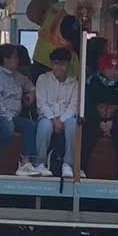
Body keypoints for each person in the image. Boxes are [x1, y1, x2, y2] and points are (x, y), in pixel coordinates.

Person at [0, 45, 38, 175]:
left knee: (30, 125)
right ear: (5, 59)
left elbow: (28, 84)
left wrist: (31, 92)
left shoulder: (17, 76)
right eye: (15, 57)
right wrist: (8, 118)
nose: (18, 60)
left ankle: (25, 163)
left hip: (11, 116)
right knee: (8, 130)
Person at [83, 51, 118, 180]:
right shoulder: (92, 83)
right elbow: (88, 106)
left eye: (116, 69)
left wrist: (112, 122)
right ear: (102, 69)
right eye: (110, 68)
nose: (114, 72)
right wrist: (99, 121)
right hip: (95, 120)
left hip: (115, 122)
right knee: (87, 132)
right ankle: (81, 168)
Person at [35, 48, 79, 177]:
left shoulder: (75, 82)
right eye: (55, 63)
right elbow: (41, 103)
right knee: (44, 126)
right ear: (51, 64)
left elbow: (74, 106)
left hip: (67, 118)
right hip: (47, 117)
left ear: (68, 64)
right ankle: (40, 163)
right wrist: (53, 119)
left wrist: (61, 120)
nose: (59, 67)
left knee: (73, 125)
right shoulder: (43, 79)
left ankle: (68, 164)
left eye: (63, 63)